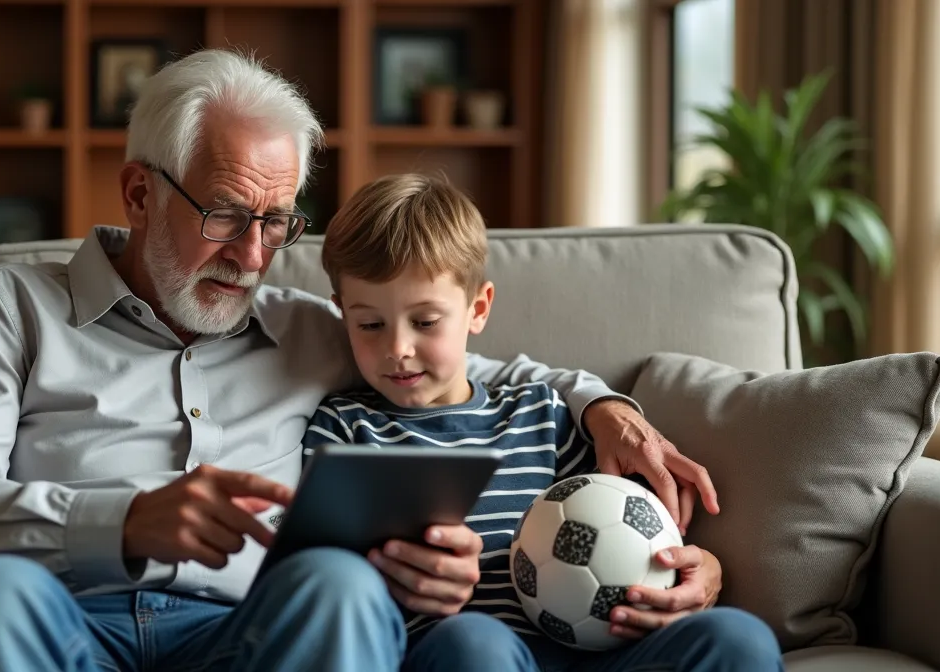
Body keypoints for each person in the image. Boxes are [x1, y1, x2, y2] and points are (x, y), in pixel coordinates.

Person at [0, 48, 720, 672]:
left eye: (278, 220)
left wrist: (606, 406)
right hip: (67, 614)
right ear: (139, 194)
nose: (253, 256)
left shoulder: (318, 328)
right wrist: (125, 522)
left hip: (248, 633)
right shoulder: (11, 308)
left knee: (339, 586)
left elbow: (460, 362)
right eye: (224, 214)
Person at [300, 173, 781, 672]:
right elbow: (327, 578)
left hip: (595, 647)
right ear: (342, 315)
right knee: (474, 642)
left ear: (477, 309)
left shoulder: (542, 414)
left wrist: (694, 568)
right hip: (459, 653)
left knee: (738, 637)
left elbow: (631, 523)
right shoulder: (343, 431)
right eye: (370, 324)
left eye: (425, 322)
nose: (398, 348)